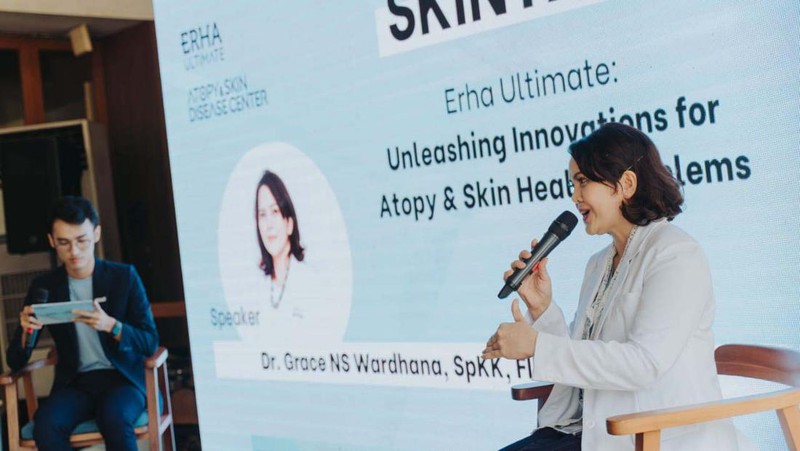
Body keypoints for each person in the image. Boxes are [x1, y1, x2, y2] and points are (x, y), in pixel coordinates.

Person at [482, 123, 751, 450]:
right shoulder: (598, 263)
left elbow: (644, 364)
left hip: (651, 438)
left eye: (583, 181)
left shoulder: (677, 254)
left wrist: (537, 345)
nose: (574, 196)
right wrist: (542, 308)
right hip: (583, 432)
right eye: (572, 184)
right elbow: (585, 357)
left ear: (626, 184)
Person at [6, 196, 158, 451]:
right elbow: (14, 361)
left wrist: (112, 325)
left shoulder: (123, 277)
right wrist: (25, 331)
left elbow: (150, 342)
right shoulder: (45, 287)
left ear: (96, 234)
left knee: (114, 418)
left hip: (123, 379)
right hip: (76, 383)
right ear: (52, 241)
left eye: (81, 241)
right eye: (64, 243)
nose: (74, 252)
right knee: (47, 425)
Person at [255, 170, 308, 319]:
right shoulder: (256, 288)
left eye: (275, 211)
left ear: (289, 223)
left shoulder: (310, 283)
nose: (269, 224)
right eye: (262, 214)